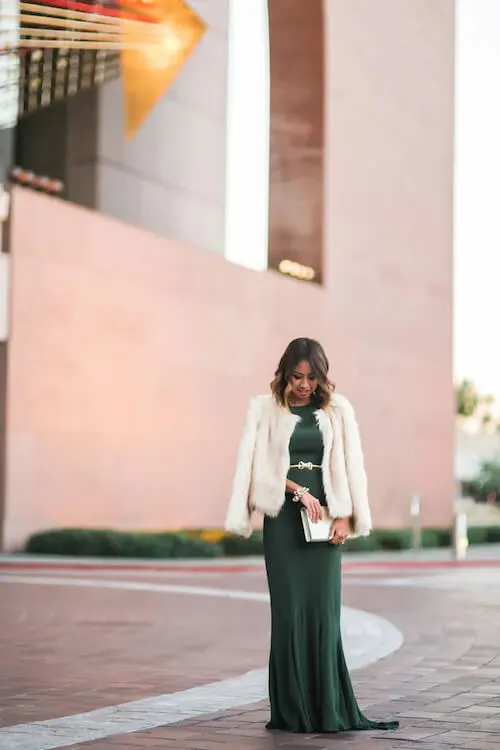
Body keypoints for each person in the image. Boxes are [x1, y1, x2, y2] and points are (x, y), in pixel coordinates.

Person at [224, 337, 399, 734]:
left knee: (323, 615)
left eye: (312, 377)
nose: (304, 385)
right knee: (289, 615)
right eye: (297, 377)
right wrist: (298, 491)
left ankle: (326, 709)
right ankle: (291, 712)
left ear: (322, 376)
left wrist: (346, 516)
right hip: (284, 522)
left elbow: (352, 468)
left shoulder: (338, 411)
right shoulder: (264, 410)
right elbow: (256, 470)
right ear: (284, 374)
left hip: (325, 524)